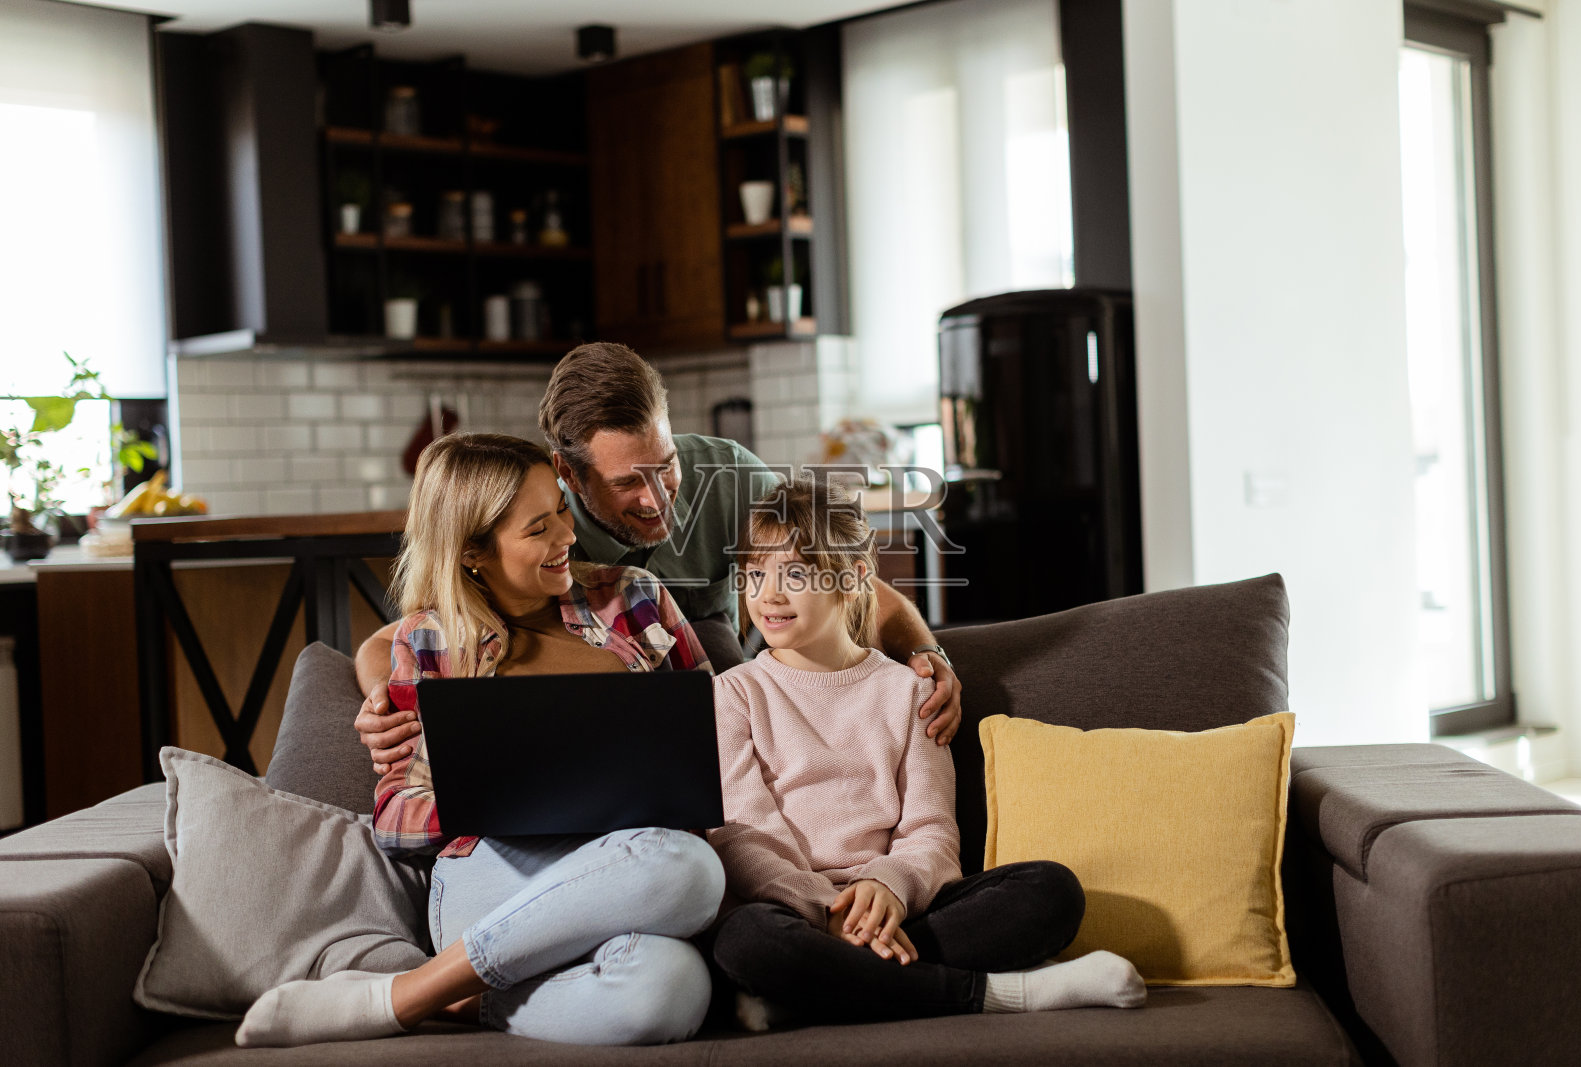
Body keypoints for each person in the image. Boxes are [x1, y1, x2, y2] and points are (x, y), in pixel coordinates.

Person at [235, 434, 724, 1048]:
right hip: (491, 874)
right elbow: (394, 817)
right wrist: (502, 789)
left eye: (563, 512)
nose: (567, 538)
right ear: (472, 550)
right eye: (538, 528)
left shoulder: (636, 600)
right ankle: (411, 994)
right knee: (689, 869)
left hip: (630, 871)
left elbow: (717, 739)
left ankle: (444, 997)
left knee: (670, 990)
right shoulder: (430, 641)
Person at [354, 342, 965, 774]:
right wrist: (389, 707)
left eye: (665, 465)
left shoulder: (727, 477)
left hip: (727, 662)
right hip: (613, 725)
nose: (657, 497)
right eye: (627, 484)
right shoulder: (542, 541)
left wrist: (925, 652)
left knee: (726, 657)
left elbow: (845, 588)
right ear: (569, 473)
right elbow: (395, 642)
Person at [707, 477, 1146, 1027]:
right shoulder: (734, 693)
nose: (767, 594)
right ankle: (990, 994)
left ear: (854, 576)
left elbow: (933, 833)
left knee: (1051, 891)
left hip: (901, 907)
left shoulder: (911, 692)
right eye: (753, 574)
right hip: (792, 913)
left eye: (794, 573)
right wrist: (826, 914)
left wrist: (887, 885)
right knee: (747, 941)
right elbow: (742, 836)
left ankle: (812, 991)